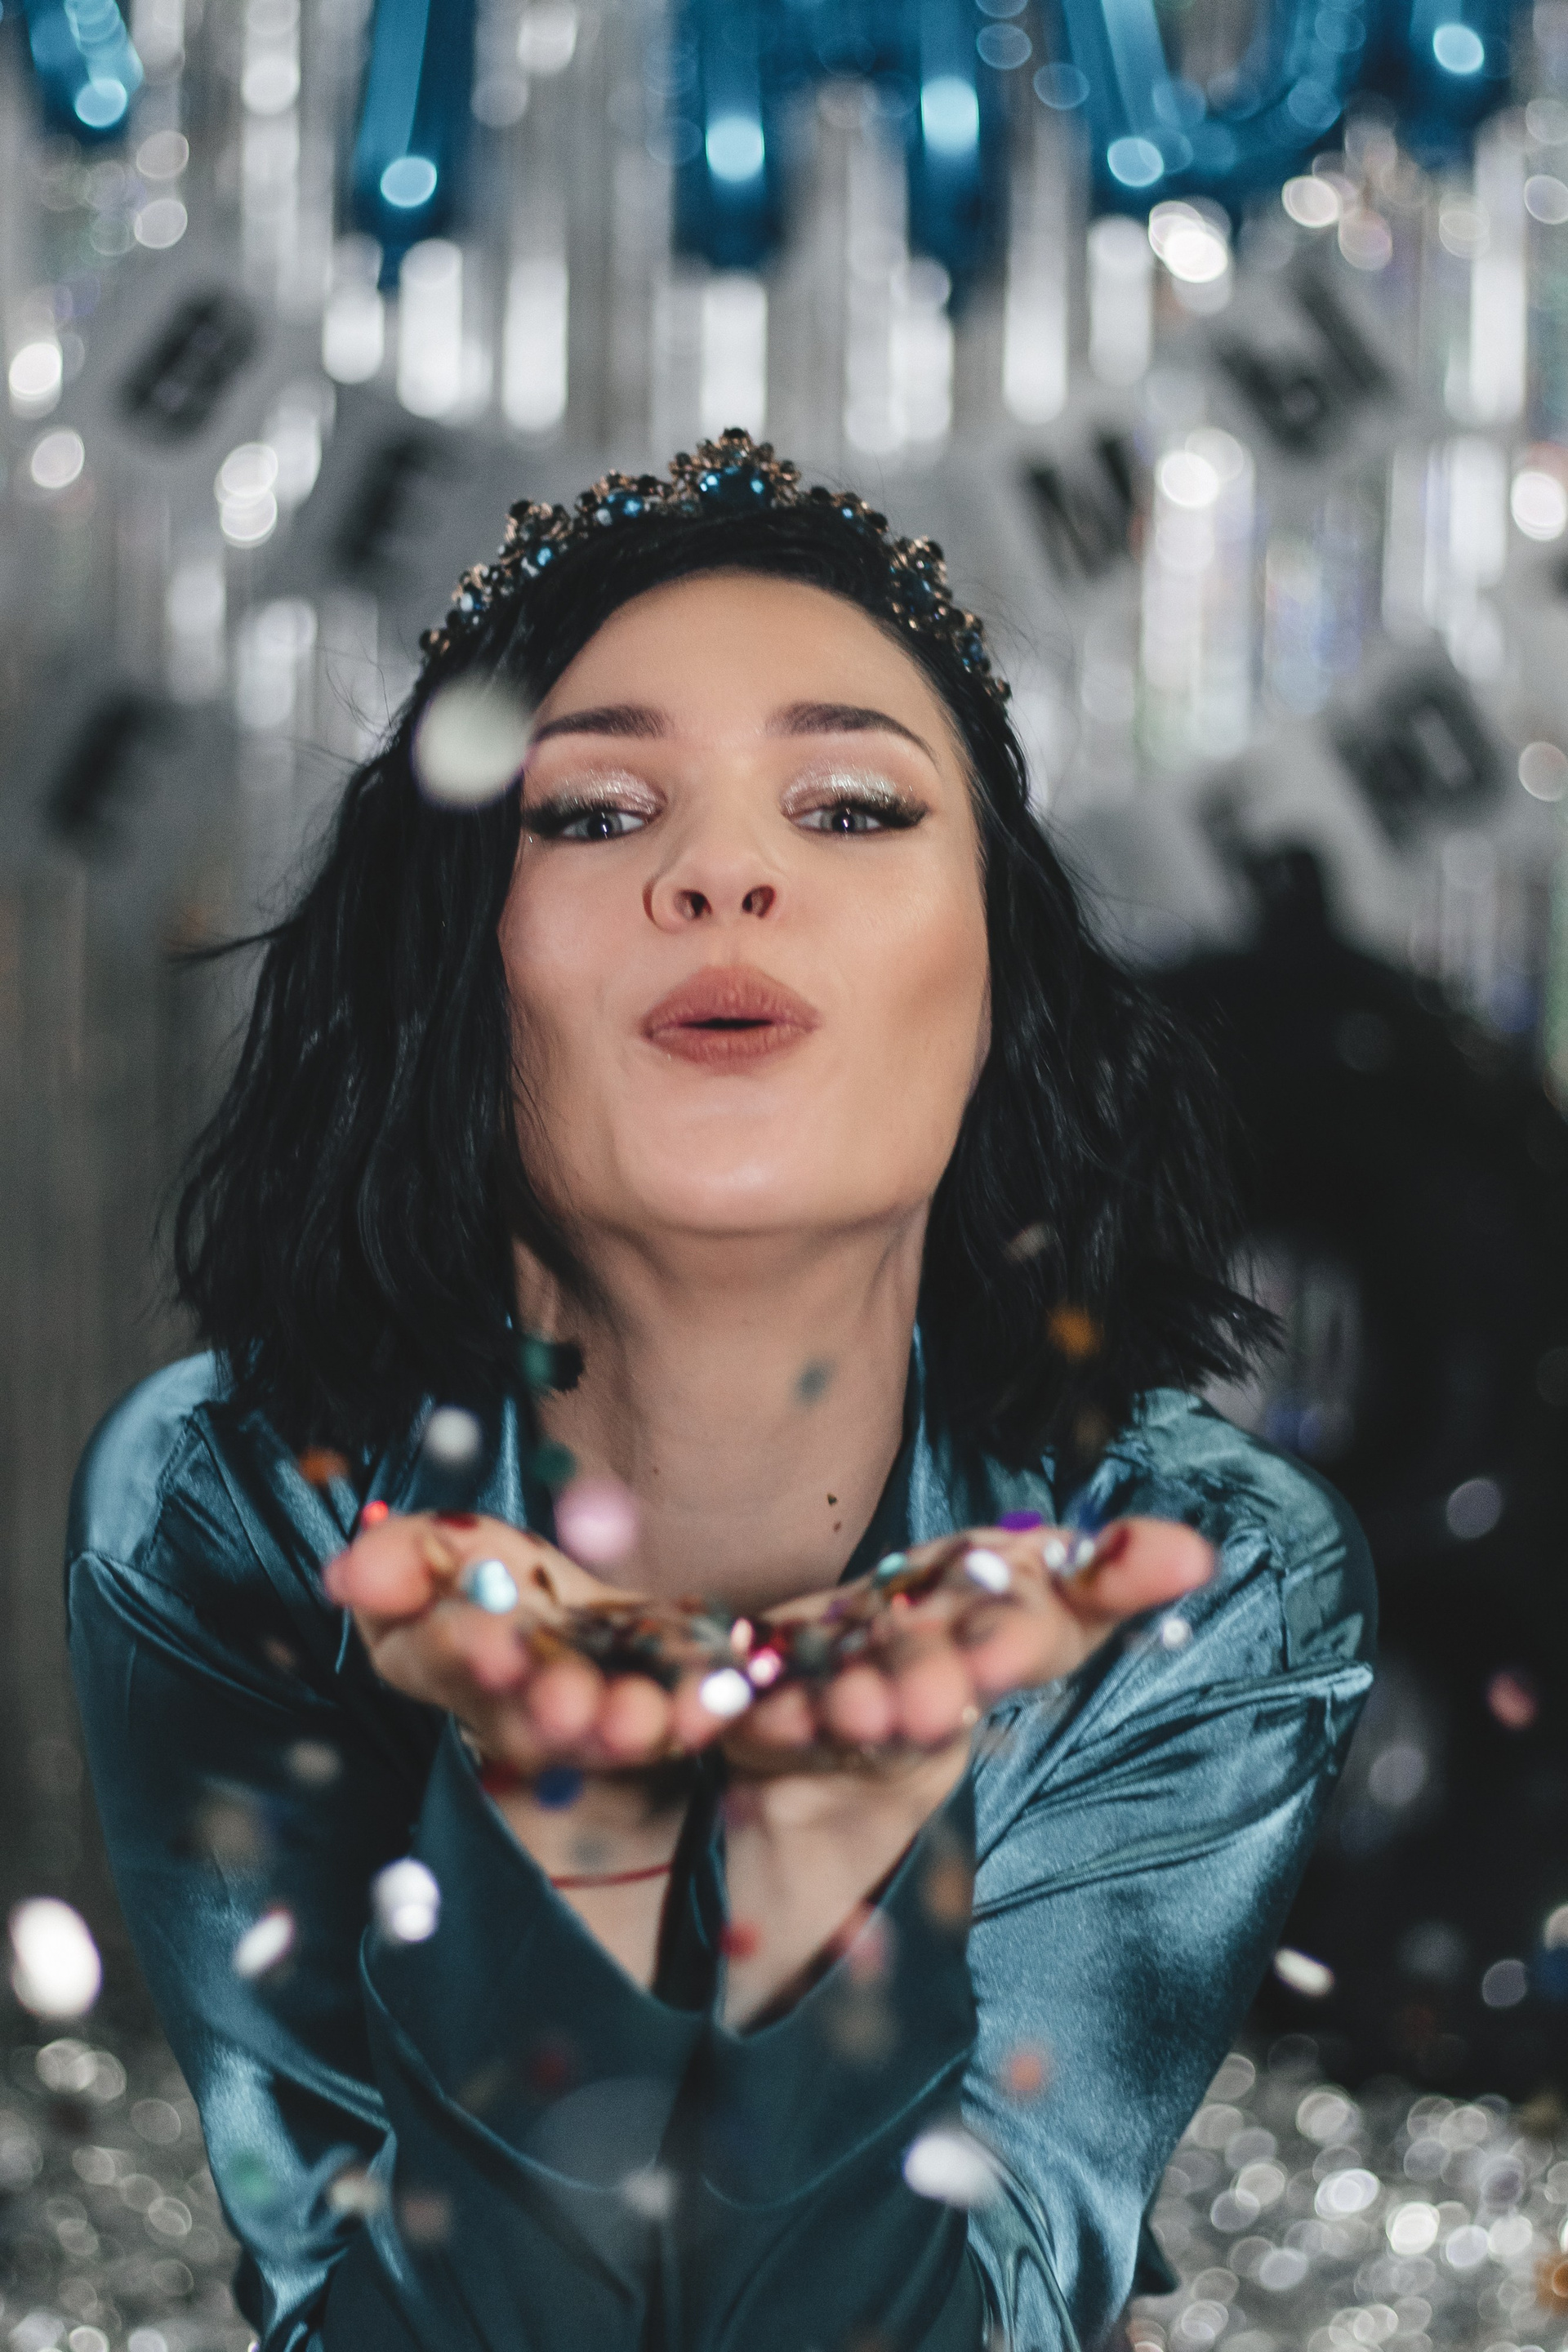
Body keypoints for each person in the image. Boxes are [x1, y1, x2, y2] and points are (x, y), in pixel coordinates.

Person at [66, 432, 1374, 2352]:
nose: (727, 872)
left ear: (1001, 972)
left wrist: (833, 1909)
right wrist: (560, 1864)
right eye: (597, 813)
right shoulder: (232, 1506)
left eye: (852, 806)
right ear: (455, 961)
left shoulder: (1202, 1569)